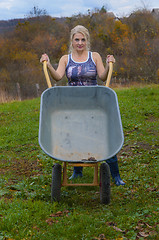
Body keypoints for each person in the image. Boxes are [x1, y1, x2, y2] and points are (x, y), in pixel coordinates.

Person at [40, 25, 125, 186]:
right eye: (77, 39)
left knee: (102, 134)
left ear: (87, 41)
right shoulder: (66, 58)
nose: (80, 43)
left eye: (83, 40)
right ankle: (77, 171)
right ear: (72, 41)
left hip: (93, 103)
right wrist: (48, 64)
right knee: (74, 135)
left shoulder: (94, 56)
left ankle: (116, 175)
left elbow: (102, 76)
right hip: (72, 104)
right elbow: (57, 77)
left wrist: (109, 65)